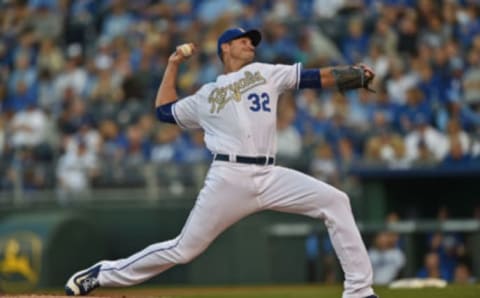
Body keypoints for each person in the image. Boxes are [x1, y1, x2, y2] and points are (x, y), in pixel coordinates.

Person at [65, 27, 378, 298]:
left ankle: (360, 292)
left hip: (269, 174)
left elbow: (313, 77)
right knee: (183, 249)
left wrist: (349, 74)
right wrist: (173, 63)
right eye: (242, 40)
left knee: (336, 201)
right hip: (229, 177)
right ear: (225, 48)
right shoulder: (206, 95)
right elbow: (163, 111)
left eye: (252, 41)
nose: (250, 44)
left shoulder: (266, 72)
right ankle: (100, 273)